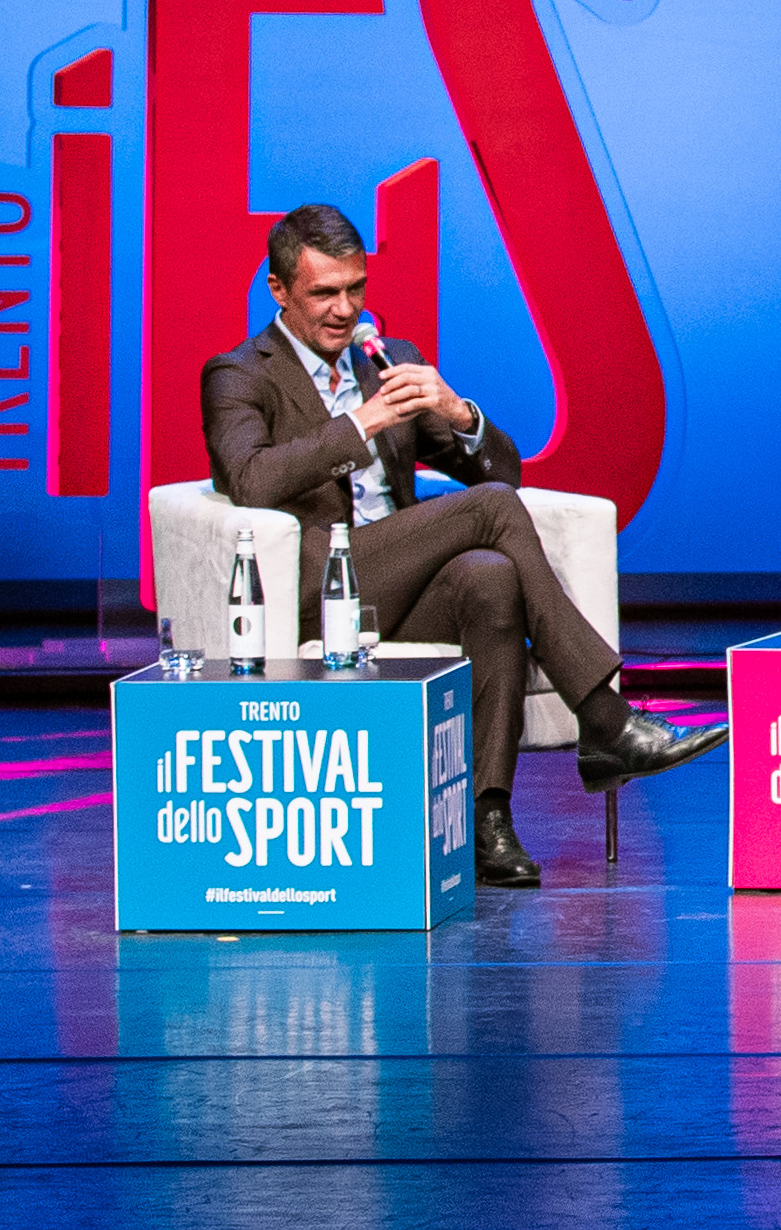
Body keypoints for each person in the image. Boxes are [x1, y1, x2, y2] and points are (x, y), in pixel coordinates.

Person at [201, 204, 724, 884]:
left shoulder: (387, 360)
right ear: (278, 291)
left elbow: (499, 472)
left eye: (355, 289)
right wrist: (359, 425)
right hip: (317, 591)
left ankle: (486, 821)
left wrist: (458, 412)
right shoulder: (240, 373)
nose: (344, 308)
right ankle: (604, 719)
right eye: (323, 293)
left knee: (488, 577)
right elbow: (249, 478)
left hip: (400, 586)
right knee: (491, 516)